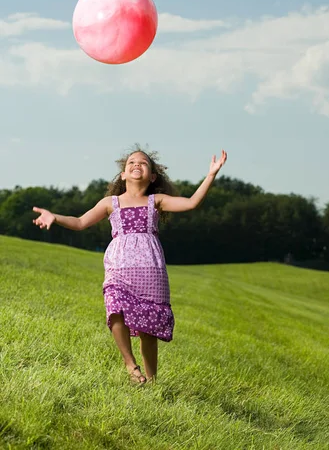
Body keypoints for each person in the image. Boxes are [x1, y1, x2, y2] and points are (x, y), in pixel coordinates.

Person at [32, 146, 227, 386]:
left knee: (148, 329)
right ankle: (129, 363)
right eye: (131, 162)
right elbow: (81, 221)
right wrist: (55, 217)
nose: (137, 165)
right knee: (115, 310)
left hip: (151, 270)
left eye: (143, 163)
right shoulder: (109, 203)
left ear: (153, 177)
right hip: (119, 267)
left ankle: (152, 382)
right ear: (123, 175)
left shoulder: (157, 201)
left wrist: (211, 175)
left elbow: (191, 203)